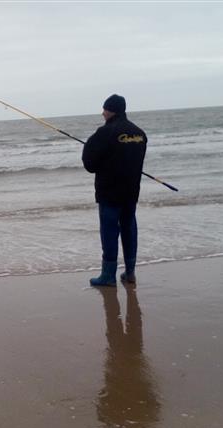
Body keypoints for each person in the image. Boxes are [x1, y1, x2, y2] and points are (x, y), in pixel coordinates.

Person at [82, 94, 147, 286]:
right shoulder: (140, 134)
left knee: (109, 231)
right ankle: (130, 273)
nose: (103, 113)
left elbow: (89, 164)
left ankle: (108, 275)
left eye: (105, 109)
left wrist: (92, 149)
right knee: (129, 229)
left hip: (109, 192)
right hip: (131, 192)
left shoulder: (105, 132)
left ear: (111, 110)